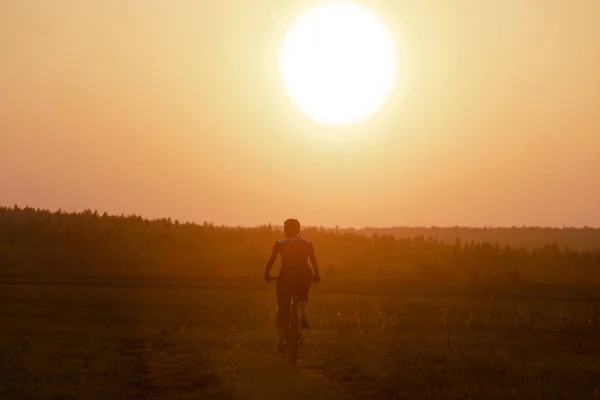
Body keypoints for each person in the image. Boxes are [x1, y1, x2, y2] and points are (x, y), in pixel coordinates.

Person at [264, 218, 320, 351]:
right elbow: (313, 261)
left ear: (285, 230)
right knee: (303, 292)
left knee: (283, 305)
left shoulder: (280, 243)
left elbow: (271, 261)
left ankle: (280, 339)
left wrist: (266, 274)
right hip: (304, 274)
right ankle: (304, 313)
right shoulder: (307, 243)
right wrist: (316, 274)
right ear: (298, 230)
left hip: (287, 274)